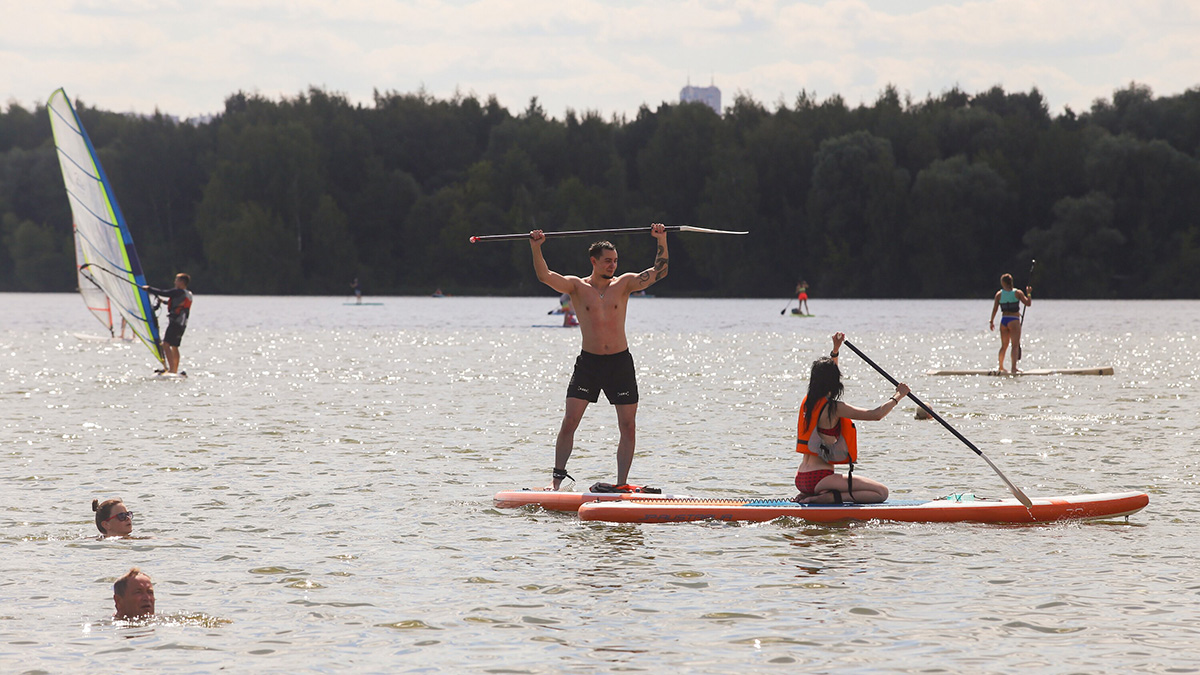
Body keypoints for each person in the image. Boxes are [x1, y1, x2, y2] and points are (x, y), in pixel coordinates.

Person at [530, 223, 669, 491]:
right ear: (593, 261)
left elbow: (660, 272)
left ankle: (621, 485)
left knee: (628, 426)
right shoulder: (576, 287)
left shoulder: (625, 283)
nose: (612, 266)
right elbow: (545, 275)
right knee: (570, 420)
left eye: (615, 261)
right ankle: (556, 480)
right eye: (607, 261)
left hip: (620, 363)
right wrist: (536, 247)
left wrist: (661, 240)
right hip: (589, 364)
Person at [794, 332, 910, 504]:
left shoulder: (809, 402)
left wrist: (835, 350)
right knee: (881, 493)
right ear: (834, 381)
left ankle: (816, 495)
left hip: (801, 478)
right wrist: (898, 396)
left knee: (875, 491)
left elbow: (827, 375)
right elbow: (875, 415)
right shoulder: (834, 408)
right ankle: (828, 497)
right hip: (820, 478)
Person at [142, 273, 192, 374]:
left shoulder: (178, 292)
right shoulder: (187, 293)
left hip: (175, 323)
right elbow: (177, 304)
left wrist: (149, 288)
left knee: (165, 344)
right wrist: (163, 302)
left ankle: (172, 370)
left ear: (182, 282)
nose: (175, 282)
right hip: (182, 324)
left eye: (176, 280)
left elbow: (164, 292)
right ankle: (175, 370)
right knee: (174, 346)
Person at [988, 273, 1033, 374]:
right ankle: (1013, 368)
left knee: (1004, 346)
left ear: (1003, 283)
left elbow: (995, 309)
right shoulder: (1018, 293)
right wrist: (1029, 293)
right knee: (1015, 345)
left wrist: (991, 321)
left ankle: (1001, 367)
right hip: (1014, 320)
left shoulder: (999, 294)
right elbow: (1028, 303)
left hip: (1004, 321)